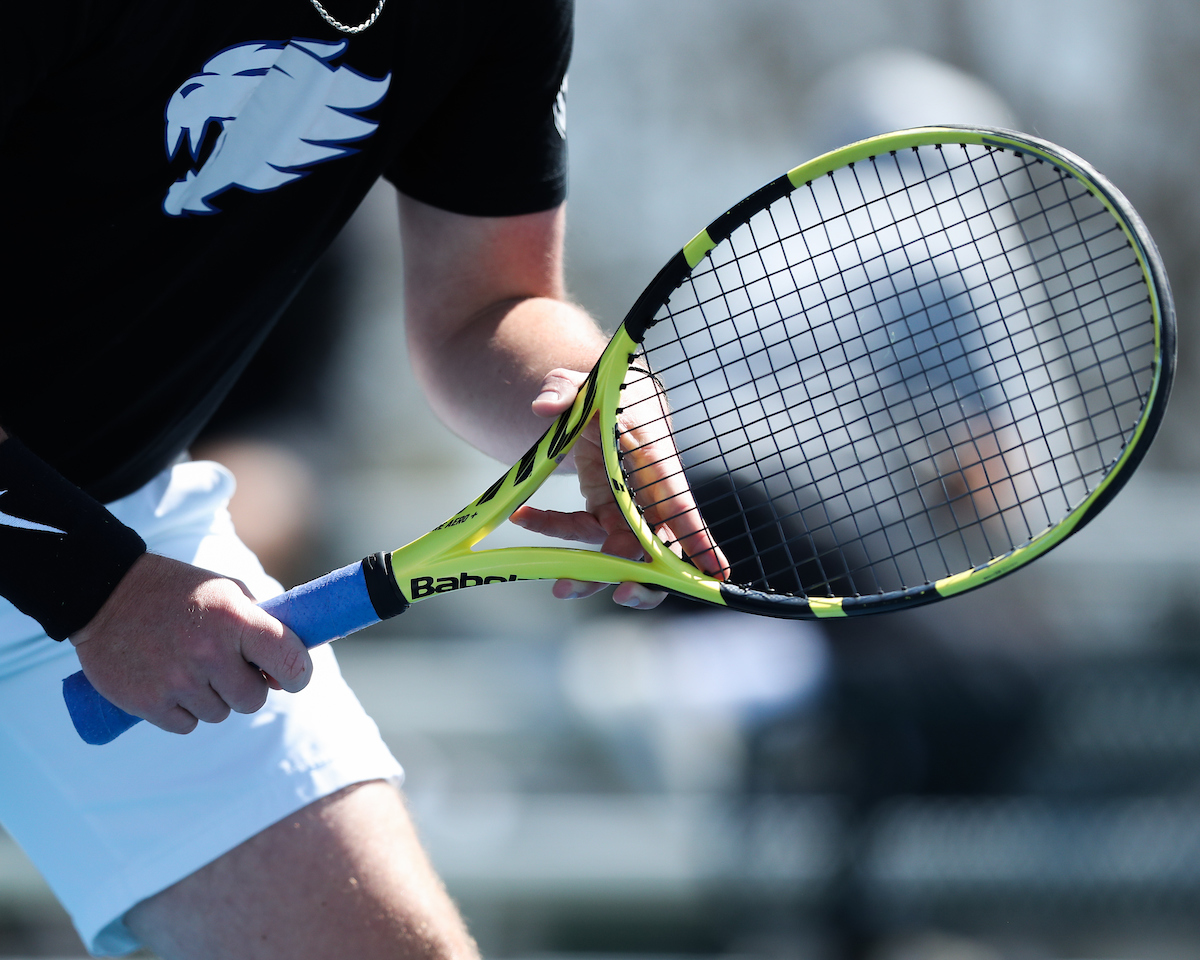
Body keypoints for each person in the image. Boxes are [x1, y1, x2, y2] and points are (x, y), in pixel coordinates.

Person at [0, 1, 677, 956]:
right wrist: (93, 586)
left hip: (117, 530)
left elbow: (489, 300)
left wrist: (588, 399)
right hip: (95, 570)